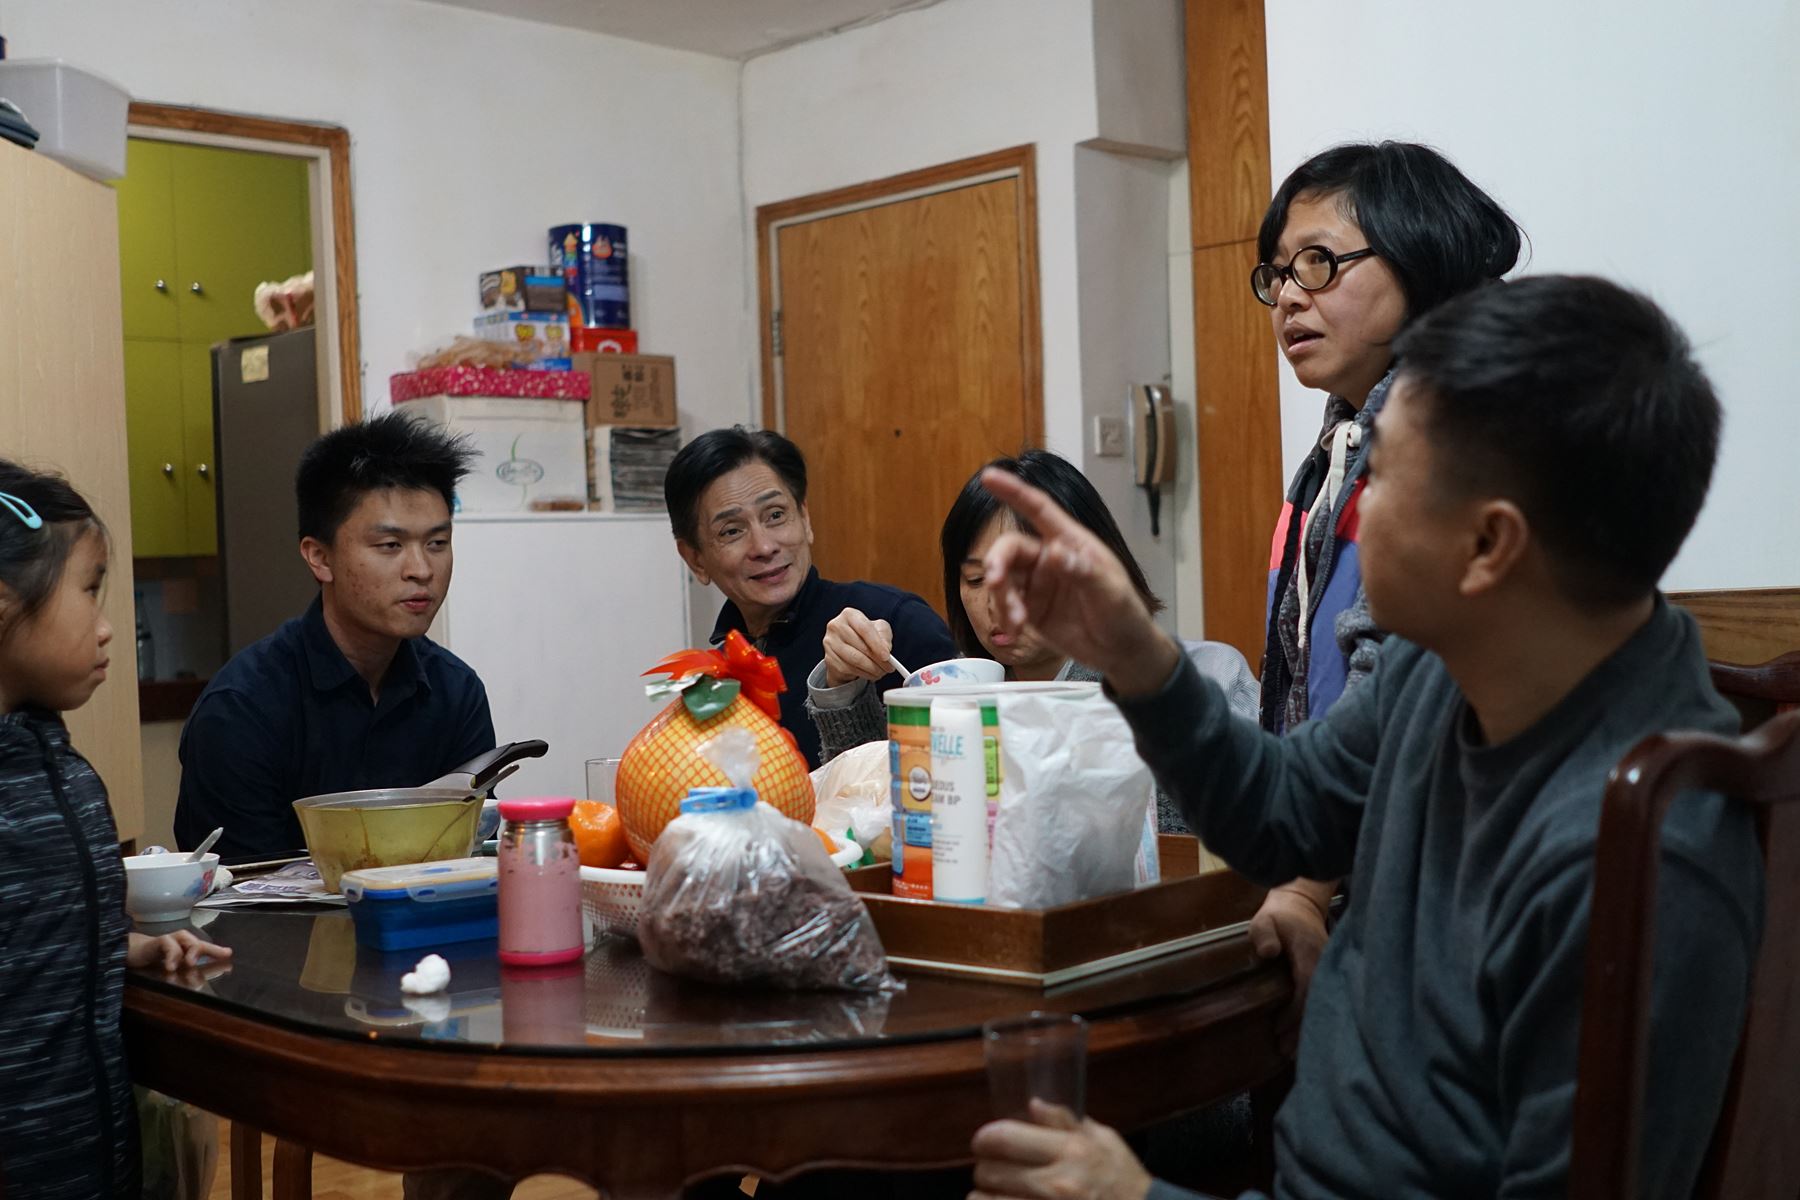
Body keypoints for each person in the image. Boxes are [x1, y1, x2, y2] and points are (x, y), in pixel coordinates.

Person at [965, 277, 1763, 1199]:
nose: (1348, 512)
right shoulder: (1445, 661)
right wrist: (1133, 655)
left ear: (1488, 547)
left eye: (1377, 478)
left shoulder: (1639, 862)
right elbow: (1281, 817)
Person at [1246, 141, 1524, 1041]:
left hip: (1441, 905)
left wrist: (1301, 888)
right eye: (1278, 274)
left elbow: (1398, 681)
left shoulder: (1456, 433)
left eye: (1319, 263)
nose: (1289, 296)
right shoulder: (1335, 451)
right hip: (1354, 875)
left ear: (1421, 257)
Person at [808, 450, 1259, 831]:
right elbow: (870, 820)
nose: (995, 602)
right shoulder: (955, 700)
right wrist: (843, 687)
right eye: (976, 579)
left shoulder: (1209, 676)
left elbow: (1233, 835)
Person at [0, 461, 229, 1199]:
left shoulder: (60, 768)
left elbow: (30, 933)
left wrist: (123, 948)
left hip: (91, 1157)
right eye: (89, 590)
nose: (107, 627)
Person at [175, 413, 496, 859]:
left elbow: (472, 856)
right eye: (390, 546)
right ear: (319, 558)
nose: (421, 569)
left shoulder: (456, 693)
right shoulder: (242, 709)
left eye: (437, 543)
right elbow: (238, 892)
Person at [664, 426, 957, 769]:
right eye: (732, 531)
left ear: (804, 518)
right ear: (695, 559)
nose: (764, 546)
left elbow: (962, 759)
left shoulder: (892, 620)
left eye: (776, 515)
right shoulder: (715, 675)